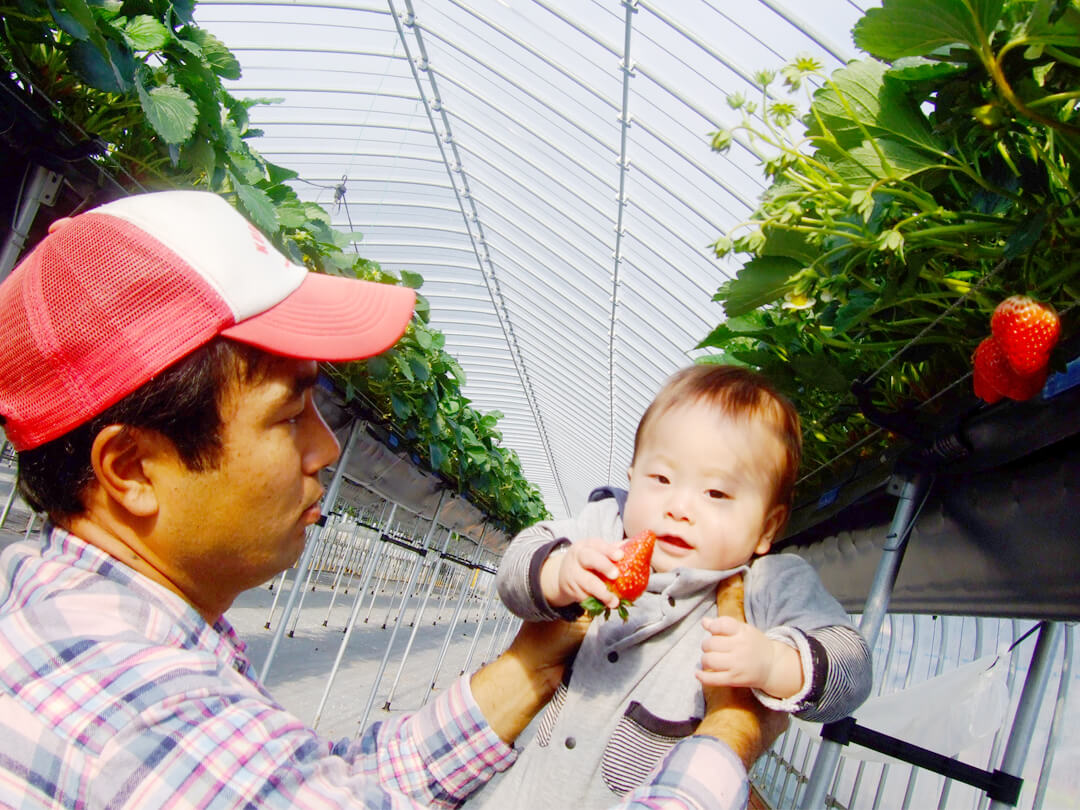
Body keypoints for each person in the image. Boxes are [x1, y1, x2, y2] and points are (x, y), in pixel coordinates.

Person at [0, 190, 782, 810]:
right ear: (132, 468)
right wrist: (724, 740)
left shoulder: (71, 626)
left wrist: (532, 665)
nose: (327, 449)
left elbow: (327, 786)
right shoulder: (138, 710)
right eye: (289, 413)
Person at [472, 364, 873, 809]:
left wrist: (776, 663)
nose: (679, 506)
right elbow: (516, 564)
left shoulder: (768, 584)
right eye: (661, 479)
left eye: (717, 494)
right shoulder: (605, 528)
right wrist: (559, 573)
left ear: (767, 528)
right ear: (631, 477)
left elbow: (852, 668)